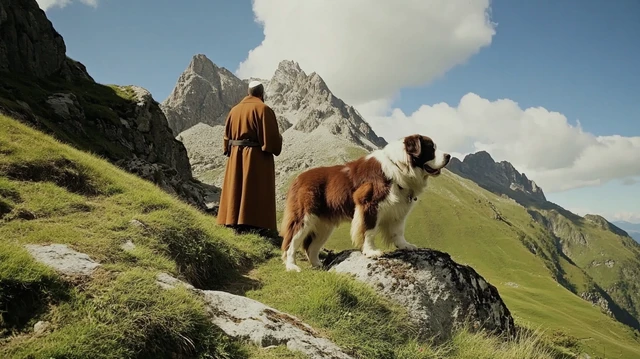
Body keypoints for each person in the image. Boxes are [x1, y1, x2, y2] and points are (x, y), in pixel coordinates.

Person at [216, 80, 283, 241]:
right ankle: (254, 224)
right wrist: (278, 139)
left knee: (236, 186)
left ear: (248, 92)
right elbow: (271, 142)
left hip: (235, 155)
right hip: (255, 158)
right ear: (262, 93)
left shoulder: (234, 110)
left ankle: (232, 220)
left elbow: (226, 138)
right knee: (254, 188)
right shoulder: (264, 109)